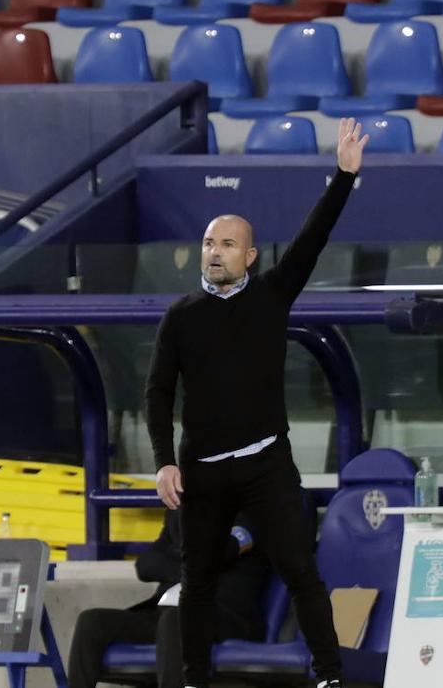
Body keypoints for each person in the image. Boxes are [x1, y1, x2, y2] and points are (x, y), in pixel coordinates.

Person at [144, 117, 370, 688]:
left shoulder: (272, 295)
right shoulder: (182, 316)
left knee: (300, 572)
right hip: (203, 473)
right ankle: (195, 680)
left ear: (249, 255)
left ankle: (330, 677)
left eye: (226, 244)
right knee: (196, 581)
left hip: (266, 464)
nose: (214, 252)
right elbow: (158, 392)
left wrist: (342, 177)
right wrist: (163, 461)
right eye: (207, 243)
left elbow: (313, 240)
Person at [67, 509, 268, 688]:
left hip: (223, 617)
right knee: (91, 622)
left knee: (176, 620)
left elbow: (220, 552)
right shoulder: (178, 511)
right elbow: (145, 566)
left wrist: (178, 556)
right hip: (165, 613)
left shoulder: (251, 510)